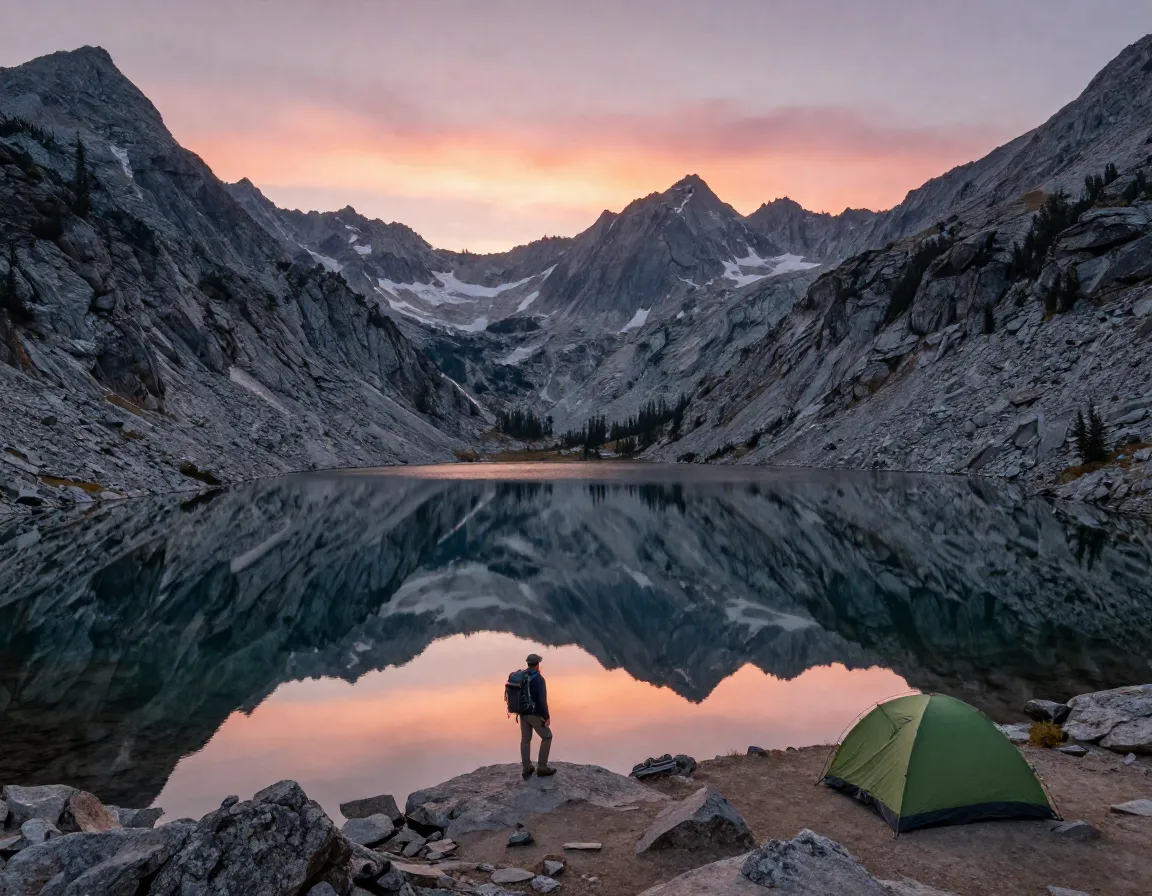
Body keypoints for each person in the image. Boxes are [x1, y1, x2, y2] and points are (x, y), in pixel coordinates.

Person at [520, 653, 555, 779]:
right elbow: (541, 701)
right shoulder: (538, 679)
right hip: (534, 714)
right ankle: (542, 768)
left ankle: (526, 768)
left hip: (522, 713)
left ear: (528, 663)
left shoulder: (522, 676)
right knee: (547, 737)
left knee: (525, 740)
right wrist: (546, 716)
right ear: (537, 664)